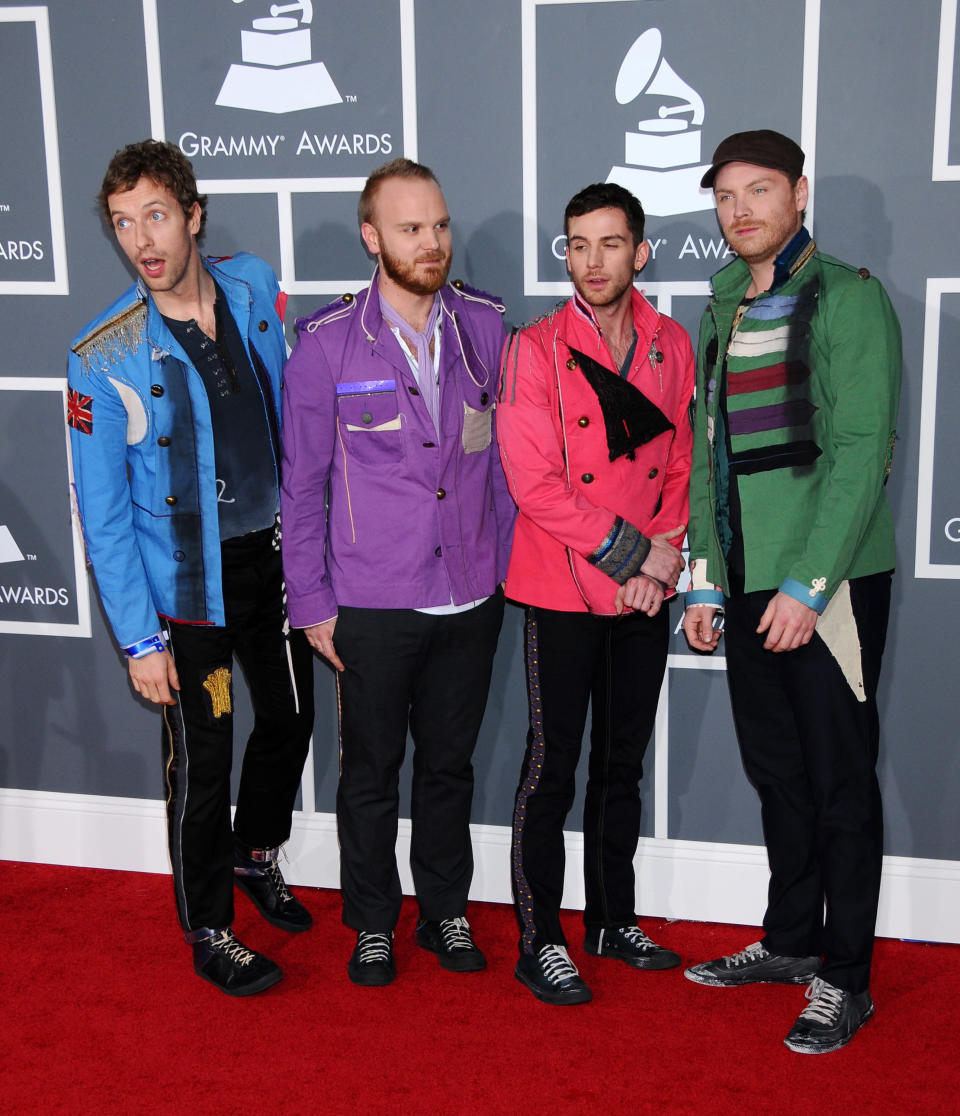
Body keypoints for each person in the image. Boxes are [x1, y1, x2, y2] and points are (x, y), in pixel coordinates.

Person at [67, 140, 315, 997]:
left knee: (288, 723)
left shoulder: (251, 288)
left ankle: (255, 855)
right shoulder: (101, 356)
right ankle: (210, 928)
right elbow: (101, 517)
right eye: (123, 223)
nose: (142, 239)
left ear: (194, 215)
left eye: (157, 215)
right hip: (190, 592)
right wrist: (140, 640)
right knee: (204, 762)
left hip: (274, 562)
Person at [681, 130, 901, 1054]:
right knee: (778, 775)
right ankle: (793, 941)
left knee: (840, 780)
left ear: (799, 194)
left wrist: (810, 586)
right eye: (727, 195)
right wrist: (704, 576)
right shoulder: (723, 306)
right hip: (743, 578)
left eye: (759, 190)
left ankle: (846, 978)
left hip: (831, 582)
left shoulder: (850, 299)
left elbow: (862, 456)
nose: (740, 210)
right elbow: (708, 457)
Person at [280, 158, 515, 986]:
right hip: (370, 602)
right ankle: (373, 921)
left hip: (470, 596)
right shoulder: (323, 345)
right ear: (372, 237)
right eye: (412, 228)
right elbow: (301, 486)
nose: (433, 242)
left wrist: (503, 574)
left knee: (450, 767)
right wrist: (310, 600)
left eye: (441, 225)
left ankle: (444, 913)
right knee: (372, 775)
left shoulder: (487, 328)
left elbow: (505, 470)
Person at [496, 182, 694, 1005]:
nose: (592, 261)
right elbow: (535, 483)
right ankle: (540, 936)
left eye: (609, 244)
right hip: (561, 586)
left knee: (622, 764)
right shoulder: (534, 349)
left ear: (639, 253)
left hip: (646, 589)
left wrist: (663, 565)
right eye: (577, 245)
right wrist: (631, 558)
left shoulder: (672, 342)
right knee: (552, 766)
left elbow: (682, 461)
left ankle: (612, 918)